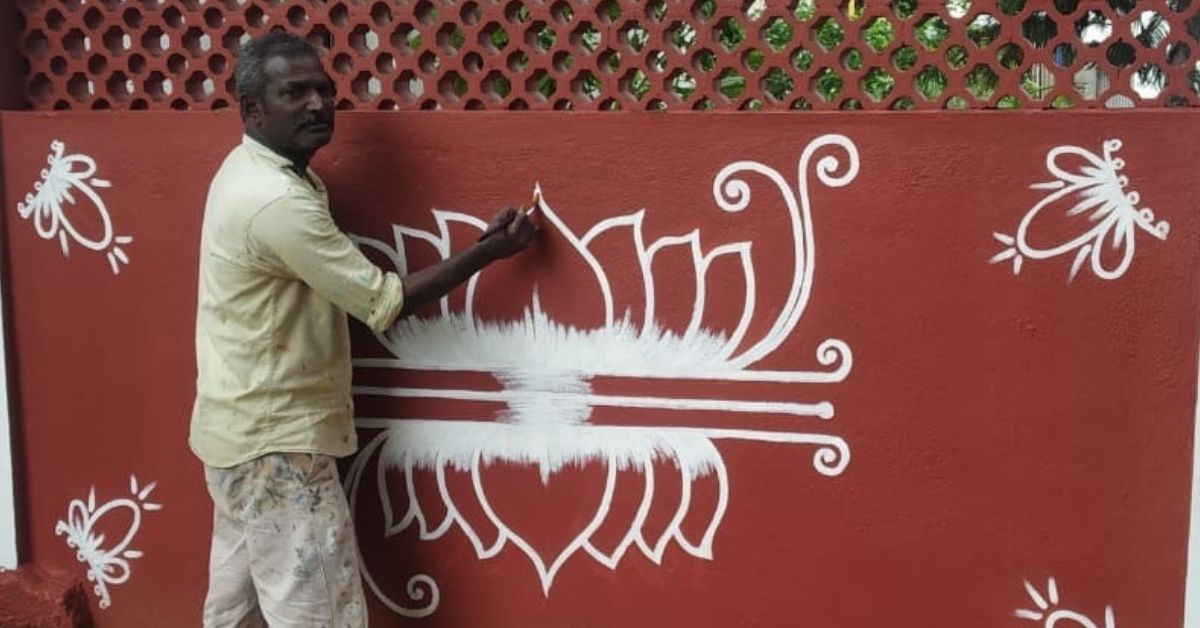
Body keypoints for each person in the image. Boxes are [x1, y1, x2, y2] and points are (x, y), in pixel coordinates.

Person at [189, 30, 536, 627]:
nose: (319, 104)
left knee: (237, 612)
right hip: (280, 446)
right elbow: (383, 302)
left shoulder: (255, 170)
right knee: (319, 614)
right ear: (251, 109)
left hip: (239, 434)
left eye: (324, 90)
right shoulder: (276, 199)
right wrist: (487, 253)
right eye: (294, 92)